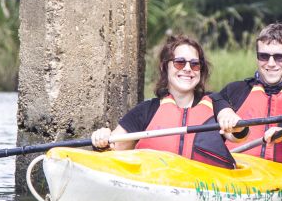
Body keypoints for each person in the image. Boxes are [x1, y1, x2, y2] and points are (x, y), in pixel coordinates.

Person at [91, 34, 238, 168]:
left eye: (195, 64)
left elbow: (237, 135)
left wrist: (234, 124)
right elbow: (116, 148)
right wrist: (103, 140)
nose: (188, 69)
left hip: (204, 186)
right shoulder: (146, 110)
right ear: (164, 67)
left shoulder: (215, 102)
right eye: (179, 63)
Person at [214, 23, 282, 169]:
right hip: (237, 175)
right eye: (264, 56)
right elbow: (213, 101)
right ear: (257, 58)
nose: (271, 63)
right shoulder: (233, 92)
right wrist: (225, 113)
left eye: (279, 57)